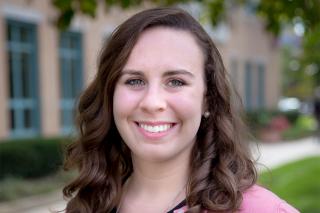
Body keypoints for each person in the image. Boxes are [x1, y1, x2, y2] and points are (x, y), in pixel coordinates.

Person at [62, 7, 299, 213]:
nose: (152, 102)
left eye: (176, 81)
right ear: (110, 95)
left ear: (207, 99)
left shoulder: (262, 210)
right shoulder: (88, 205)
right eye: (134, 81)